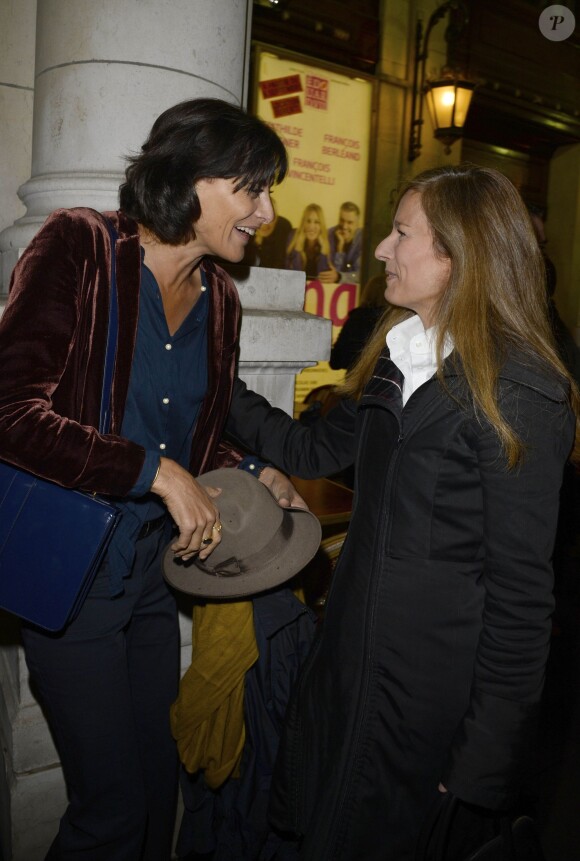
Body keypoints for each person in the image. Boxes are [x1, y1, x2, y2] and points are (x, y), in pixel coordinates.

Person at [221, 165, 579, 860]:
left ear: (458, 255)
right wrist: (215, 380)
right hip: (352, 660)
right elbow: (312, 445)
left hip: (430, 700)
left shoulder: (521, 390)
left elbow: (521, 598)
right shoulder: (397, 353)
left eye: (402, 233)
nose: (382, 249)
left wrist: (482, 763)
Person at [0, 98, 311, 861]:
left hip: (150, 576)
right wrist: (151, 471)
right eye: (253, 189)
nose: (267, 213)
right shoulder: (82, 245)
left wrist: (254, 469)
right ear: (193, 181)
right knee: (109, 811)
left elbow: (197, 430)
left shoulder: (224, 300)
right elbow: (10, 408)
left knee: (154, 788)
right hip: (70, 575)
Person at [329, 274, 389, 371]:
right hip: (385, 381)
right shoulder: (395, 321)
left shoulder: (355, 319)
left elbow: (335, 361)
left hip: (355, 382)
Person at [286, 203, 336, 280]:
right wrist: (298, 250)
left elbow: (324, 278)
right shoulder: (293, 236)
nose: (311, 226)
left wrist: (323, 252)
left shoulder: (328, 239)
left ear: (321, 225)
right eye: (308, 221)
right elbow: (293, 277)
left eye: (316, 222)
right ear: (303, 222)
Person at [319, 200, 363, 284]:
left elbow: (359, 275)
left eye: (349, 222)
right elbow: (329, 273)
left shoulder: (363, 239)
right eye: (342, 220)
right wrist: (340, 248)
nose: (344, 226)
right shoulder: (329, 235)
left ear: (358, 224)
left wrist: (339, 276)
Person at [242, 198, 292, 269]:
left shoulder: (283, 229)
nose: (265, 224)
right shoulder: (244, 233)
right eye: (261, 218)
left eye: (271, 218)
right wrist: (257, 243)